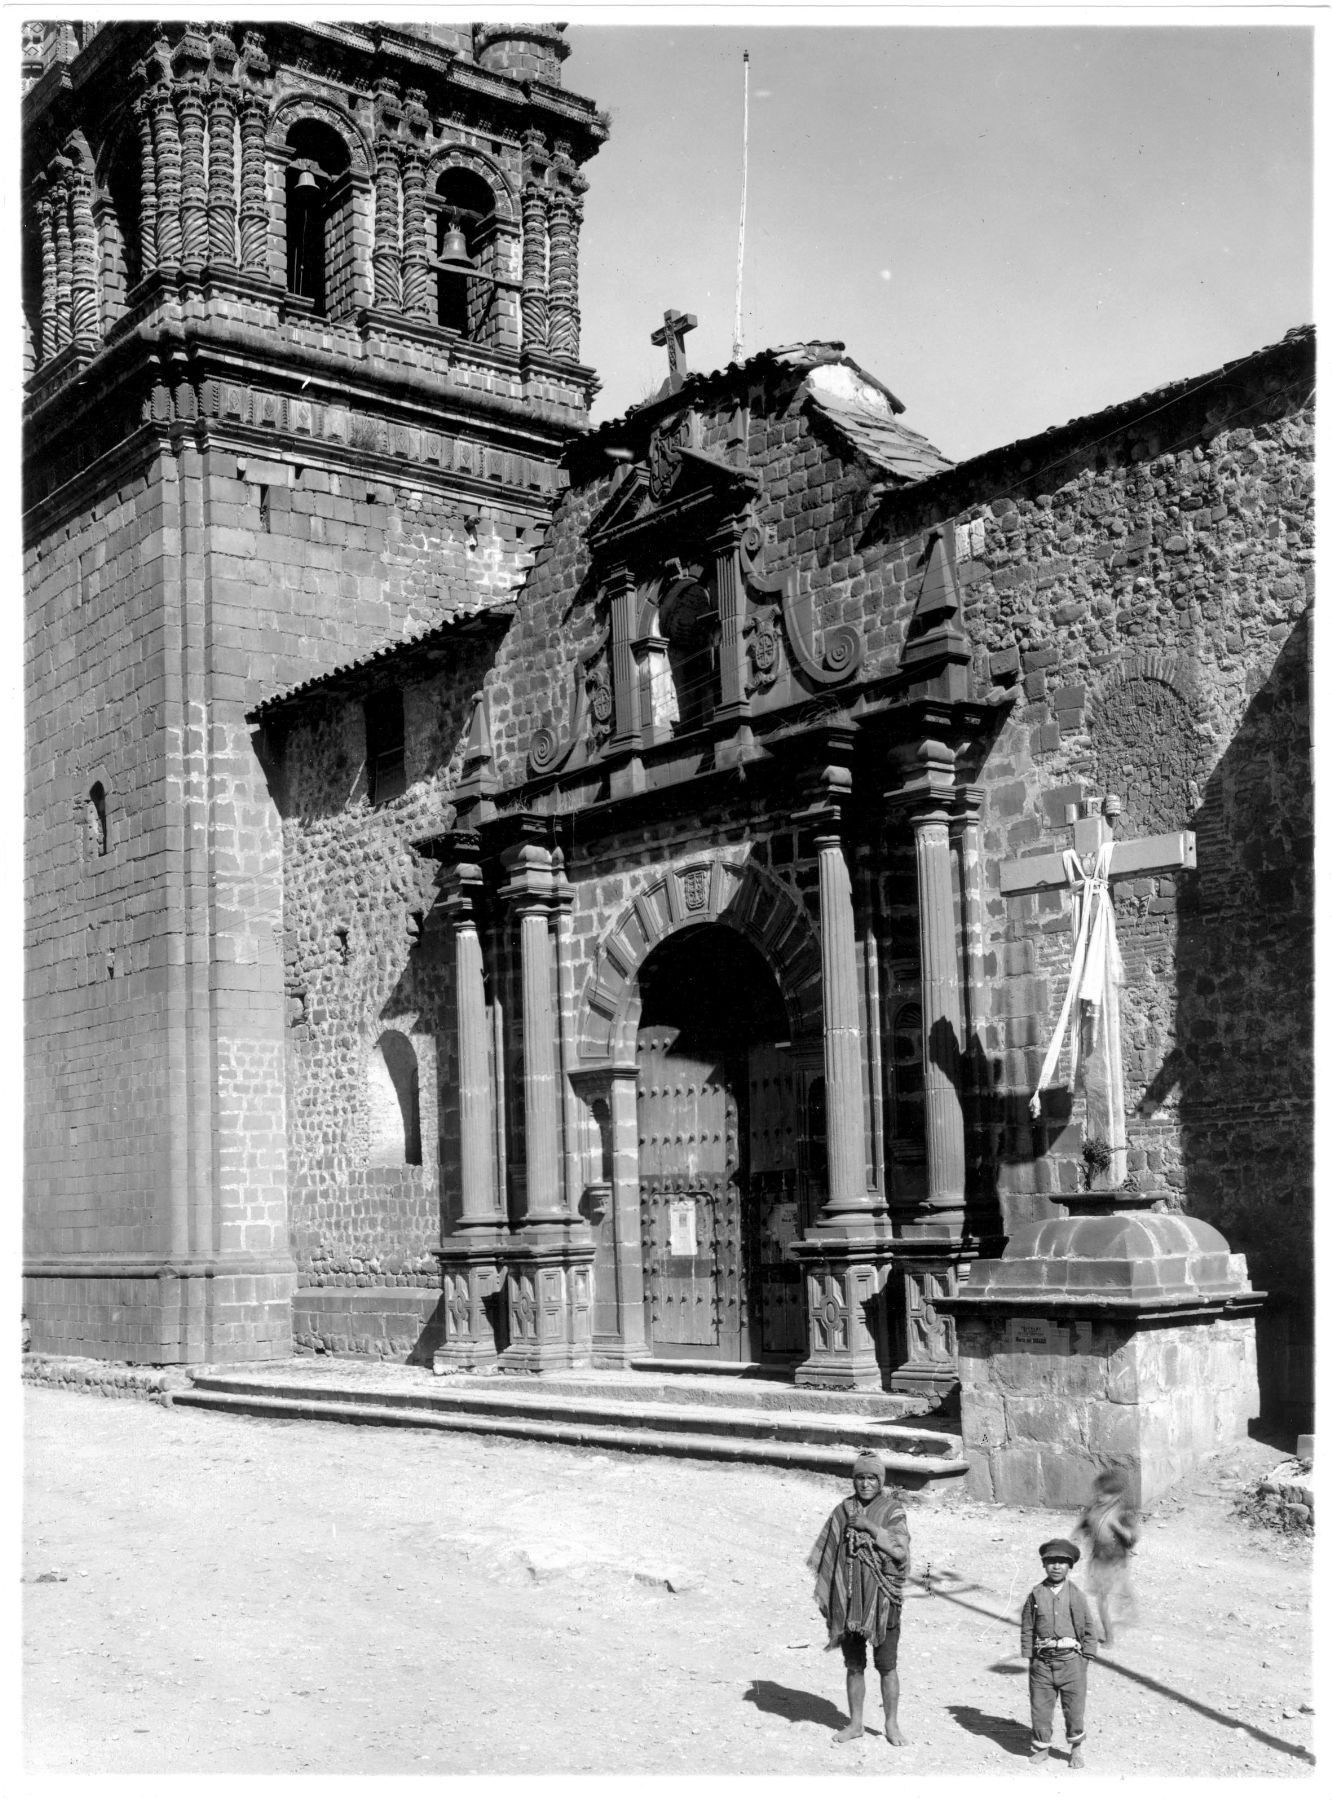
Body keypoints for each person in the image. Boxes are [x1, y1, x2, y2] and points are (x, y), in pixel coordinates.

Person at [807, 1448, 911, 1746]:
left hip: (883, 1601)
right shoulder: (842, 1510)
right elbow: (828, 1551)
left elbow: (900, 1550)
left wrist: (869, 1527)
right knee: (854, 1665)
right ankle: (855, 1724)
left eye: (872, 1478)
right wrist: (834, 1592)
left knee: (887, 1665)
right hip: (850, 1602)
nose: (866, 1484)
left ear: (881, 1481)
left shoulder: (893, 1510)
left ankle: (891, 1725)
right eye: (861, 1478)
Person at [1020, 1537, 1097, 1769]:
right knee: (1040, 1708)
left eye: (1062, 1562)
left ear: (1070, 1566)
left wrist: (1085, 1658)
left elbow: (1088, 1628)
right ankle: (1042, 1748)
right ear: (1044, 1565)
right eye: (1051, 1561)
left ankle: (1076, 1749)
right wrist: (1030, 1658)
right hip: (1042, 1664)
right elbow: (1027, 1628)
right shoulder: (1035, 1594)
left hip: (1071, 1662)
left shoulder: (1076, 1595)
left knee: (1074, 1709)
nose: (1056, 1566)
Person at [1075, 1466, 1140, 1645]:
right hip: (1098, 1559)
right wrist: (1077, 1536)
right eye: (1098, 1492)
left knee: (1107, 1594)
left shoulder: (1121, 1513)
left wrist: (1118, 1528)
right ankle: (1111, 1628)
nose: (1100, 1496)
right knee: (1102, 1595)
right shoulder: (1094, 1509)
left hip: (1116, 1560)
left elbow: (1133, 1538)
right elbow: (1085, 1524)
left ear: (1117, 1495)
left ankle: (1109, 1637)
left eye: (1105, 1494)